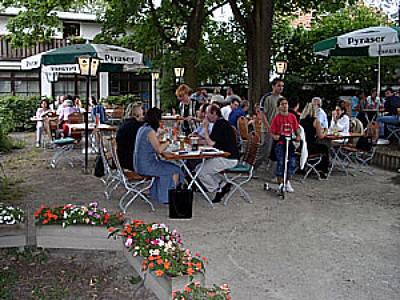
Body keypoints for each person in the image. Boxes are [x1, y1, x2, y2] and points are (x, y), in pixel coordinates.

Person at [134, 108, 184, 204]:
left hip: (139, 163)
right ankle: (168, 197)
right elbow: (159, 150)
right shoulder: (150, 131)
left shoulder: (142, 128)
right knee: (175, 169)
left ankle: (158, 194)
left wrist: (160, 135)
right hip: (146, 166)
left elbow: (152, 144)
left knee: (170, 166)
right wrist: (169, 141)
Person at [198, 104, 240, 203]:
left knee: (201, 172)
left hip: (228, 157)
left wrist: (205, 128)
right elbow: (212, 141)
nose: (205, 116)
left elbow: (211, 143)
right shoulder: (220, 123)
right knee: (198, 167)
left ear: (214, 114)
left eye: (208, 113)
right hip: (224, 155)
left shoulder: (221, 125)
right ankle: (224, 184)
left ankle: (216, 189)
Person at [269, 97, 301, 192]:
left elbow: (296, 129)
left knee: (291, 162)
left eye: (286, 104)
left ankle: (287, 181)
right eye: (282, 104)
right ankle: (280, 182)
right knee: (281, 162)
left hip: (290, 142)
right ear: (278, 107)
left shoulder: (292, 117)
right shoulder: (276, 119)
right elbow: (272, 132)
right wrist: (276, 137)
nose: (284, 106)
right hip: (280, 143)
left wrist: (298, 136)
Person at [257, 78, 284, 171]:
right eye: (279, 85)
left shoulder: (282, 99)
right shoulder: (267, 98)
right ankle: (253, 167)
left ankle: (273, 170)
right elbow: (262, 114)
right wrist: (269, 127)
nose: (281, 88)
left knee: (277, 150)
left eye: (282, 86)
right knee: (265, 150)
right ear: (273, 86)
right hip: (267, 129)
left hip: (278, 129)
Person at [300, 103, 330, 178]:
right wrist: (326, 130)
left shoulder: (301, 120)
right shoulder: (316, 121)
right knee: (324, 148)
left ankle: (308, 167)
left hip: (301, 146)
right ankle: (323, 170)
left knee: (320, 146)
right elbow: (321, 136)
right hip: (310, 147)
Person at [116, 102, 144, 171]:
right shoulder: (135, 126)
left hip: (121, 160)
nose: (143, 112)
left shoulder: (125, 123)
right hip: (131, 162)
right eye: (141, 110)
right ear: (136, 113)